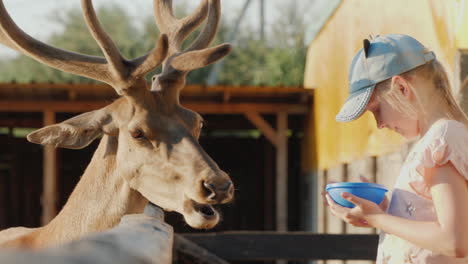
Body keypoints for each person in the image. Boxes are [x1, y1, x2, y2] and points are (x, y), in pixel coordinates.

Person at [324, 34, 468, 263]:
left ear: (401, 88)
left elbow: (454, 241)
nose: (379, 124)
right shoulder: (433, 140)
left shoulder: (443, 138)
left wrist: (377, 219)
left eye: (376, 110)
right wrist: (387, 208)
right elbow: (431, 220)